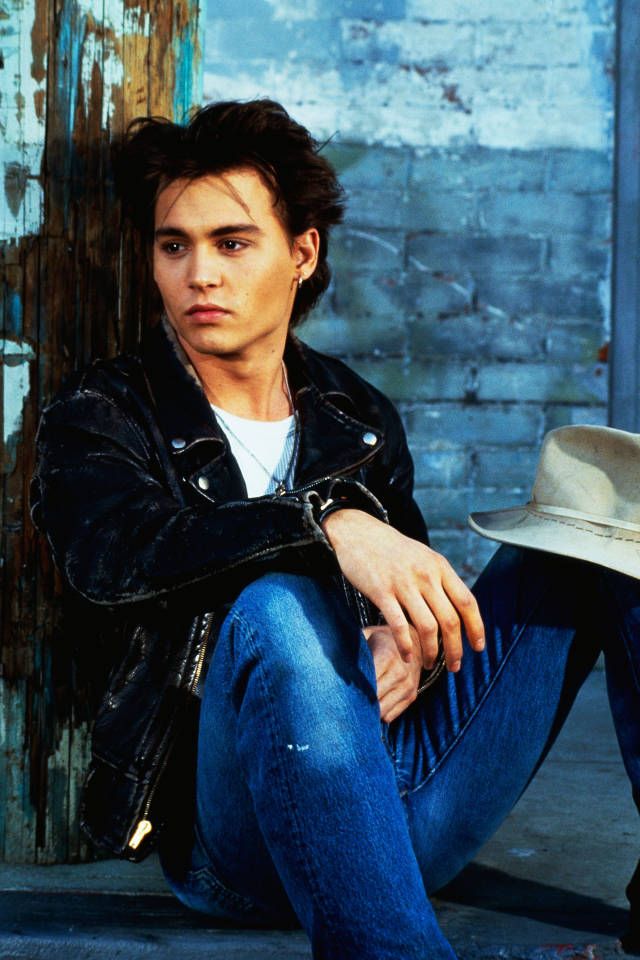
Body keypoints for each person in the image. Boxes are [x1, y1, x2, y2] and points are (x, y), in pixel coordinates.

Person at [30, 98, 640, 960]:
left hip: (401, 802)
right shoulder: (105, 412)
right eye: (176, 246)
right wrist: (326, 524)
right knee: (279, 605)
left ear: (301, 252)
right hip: (233, 846)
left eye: (232, 242)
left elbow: (407, 590)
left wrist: (412, 646)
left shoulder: (355, 415)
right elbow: (117, 557)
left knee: (598, 536)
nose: (200, 274)